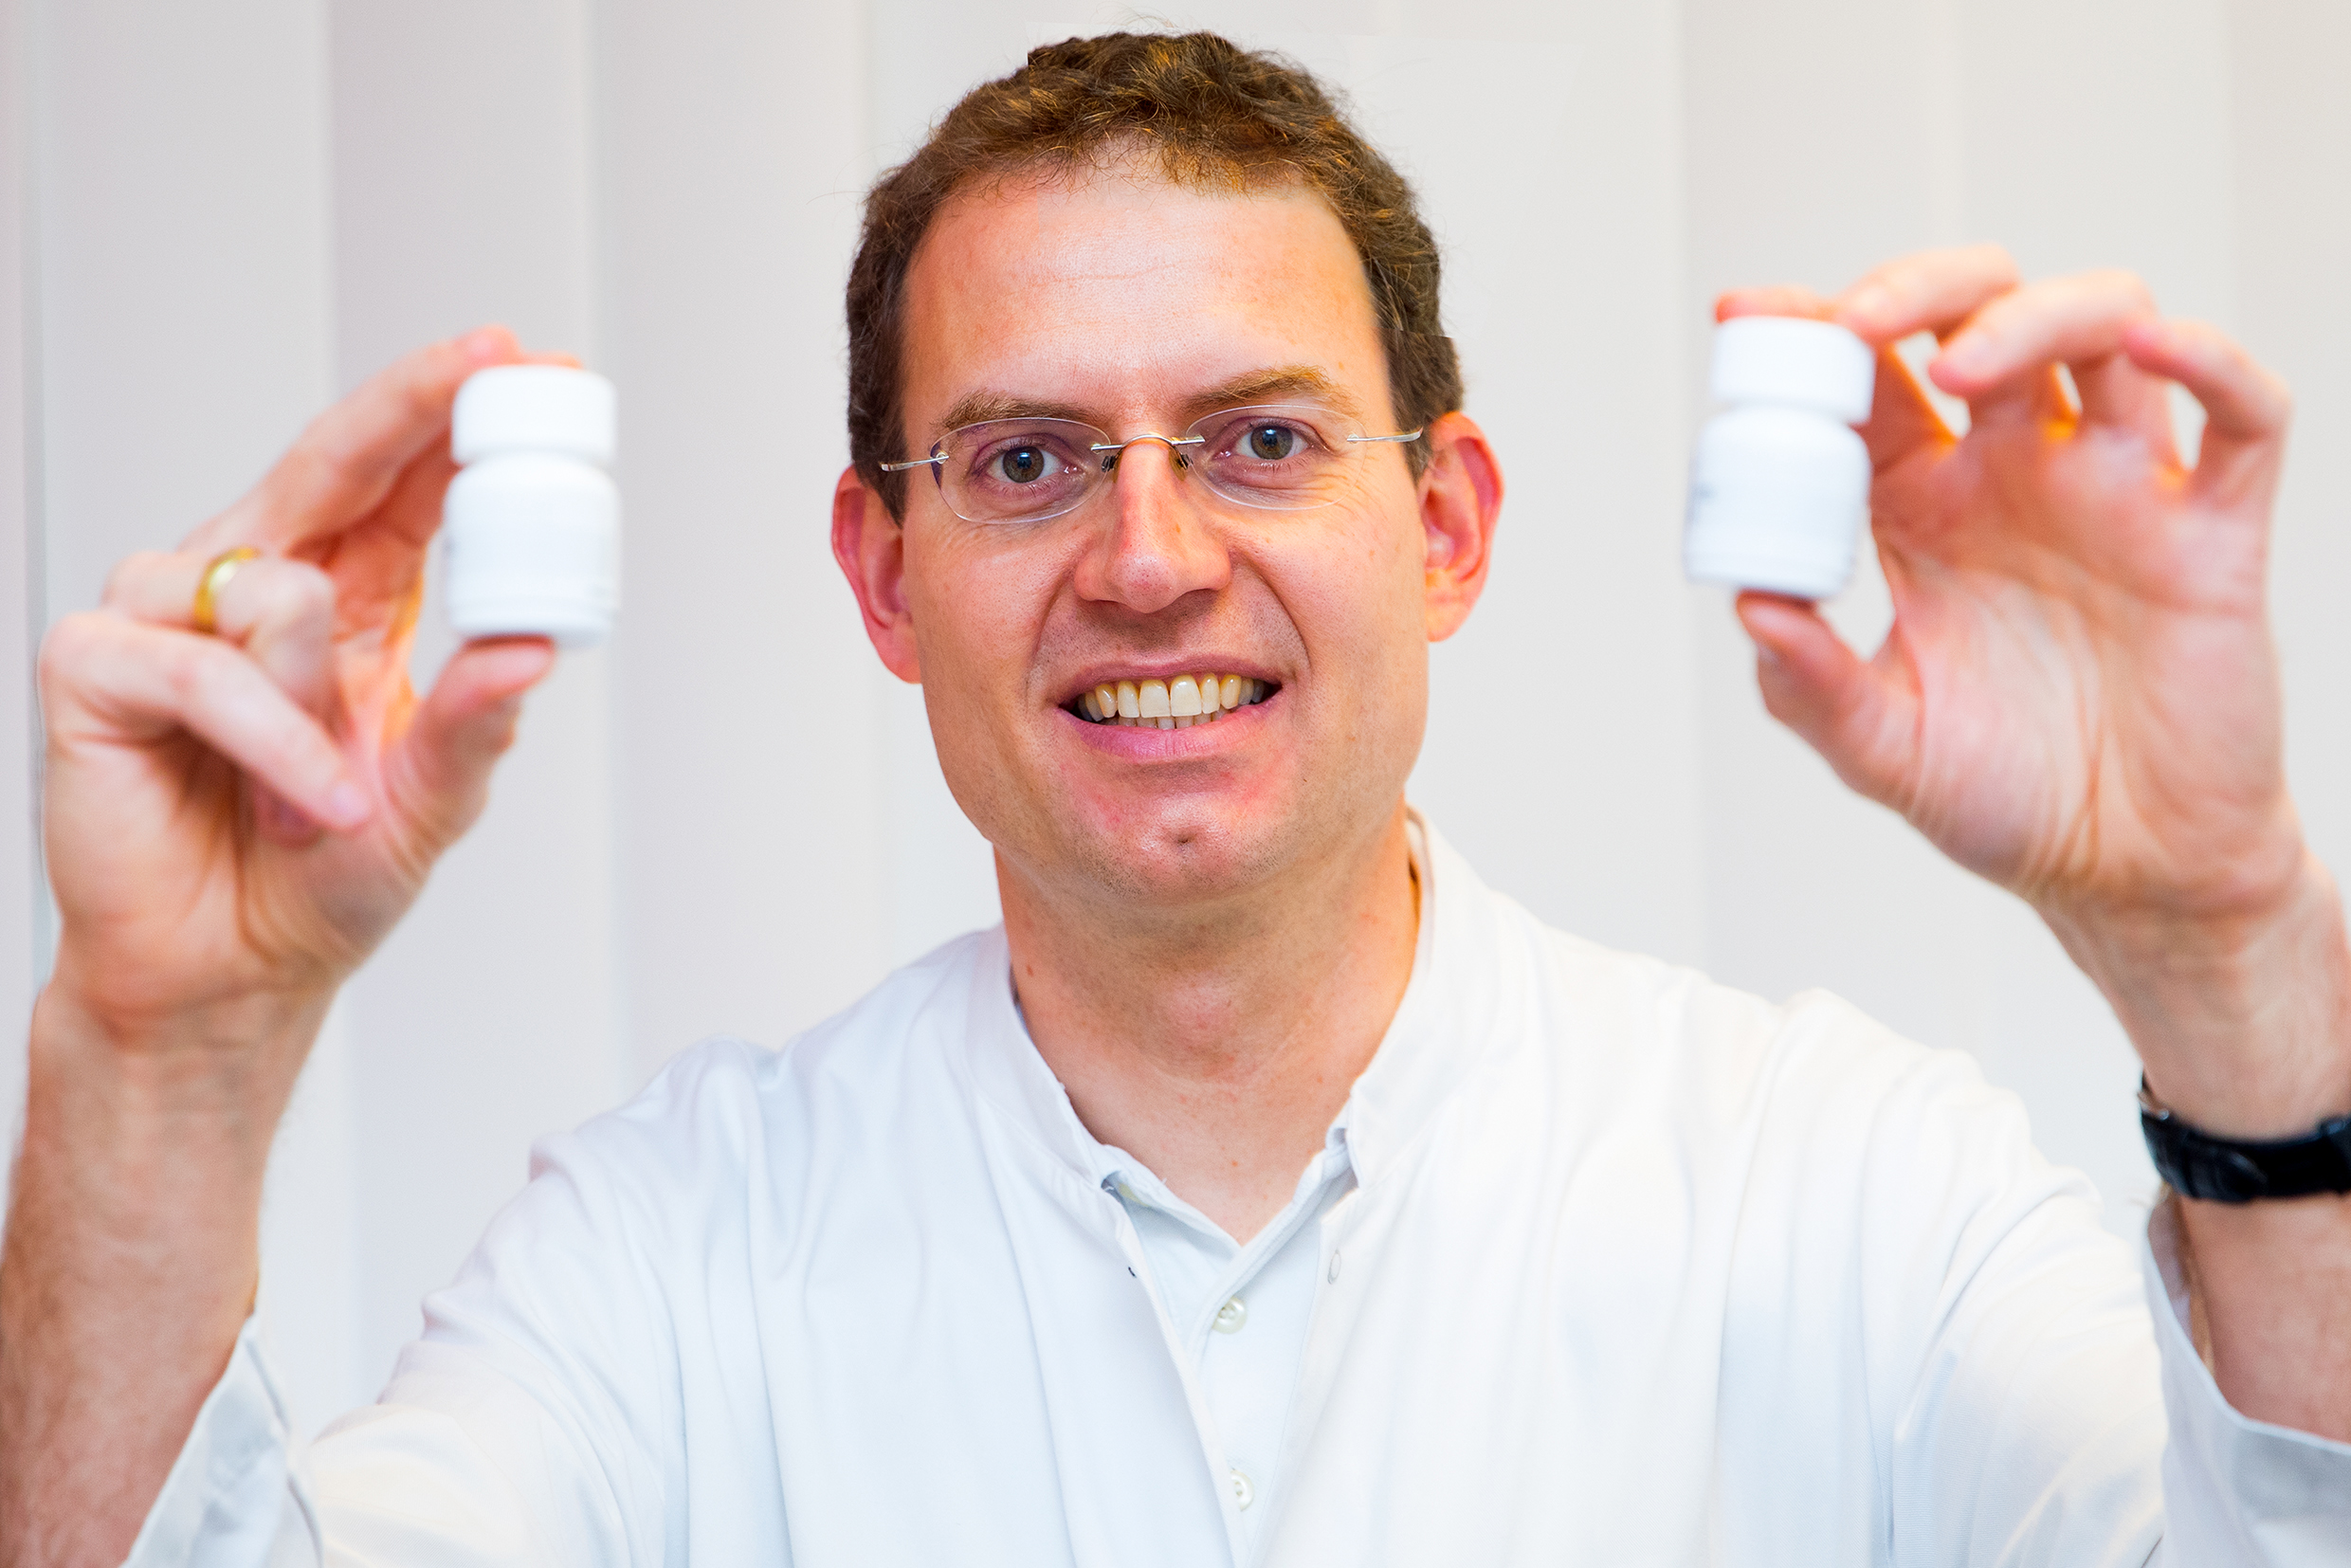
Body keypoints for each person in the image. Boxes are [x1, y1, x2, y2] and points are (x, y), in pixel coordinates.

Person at [4, 29, 2347, 1567]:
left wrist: (2222, 942)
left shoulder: (1855, 1200)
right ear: (884, 573)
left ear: (1445, 529)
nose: (1146, 556)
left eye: (1259, 439)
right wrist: (160, 1056)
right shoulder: (661, 1269)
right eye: (1026, 460)